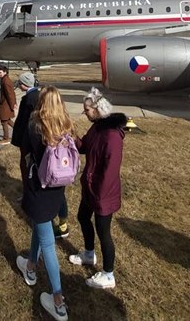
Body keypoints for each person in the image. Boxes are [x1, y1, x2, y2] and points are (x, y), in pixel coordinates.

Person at [16, 86, 73, 321]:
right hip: (57, 188)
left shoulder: (35, 124)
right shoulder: (66, 124)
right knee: (40, 227)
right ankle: (30, 264)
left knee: (48, 244)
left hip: (39, 188)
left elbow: (24, 149)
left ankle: (57, 299)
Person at [68, 87, 127, 290]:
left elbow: (110, 171)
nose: (85, 113)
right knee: (83, 217)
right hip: (90, 187)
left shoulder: (111, 136)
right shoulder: (97, 127)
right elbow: (84, 147)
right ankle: (89, 254)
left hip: (103, 193)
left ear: (98, 109)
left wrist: (99, 194)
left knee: (104, 232)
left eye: (87, 109)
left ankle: (108, 275)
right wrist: (72, 135)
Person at [11, 72, 40, 187]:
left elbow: (25, 122)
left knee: (26, 164)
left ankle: (27, 190)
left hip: (27, 138)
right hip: (32, 138)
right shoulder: (37, 95)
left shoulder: (29, 99)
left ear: (24, 84)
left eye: (20, 83)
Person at [0, 65, 16, 145]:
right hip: (6, 104)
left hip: (6, 104)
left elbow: (10, 94)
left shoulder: (6, 81)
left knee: (4, 121)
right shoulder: (4, 79)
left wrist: (12, 105)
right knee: (7, 120)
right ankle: (19, 130)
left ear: (5, 72)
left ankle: (6, 138)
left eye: (0, 72)